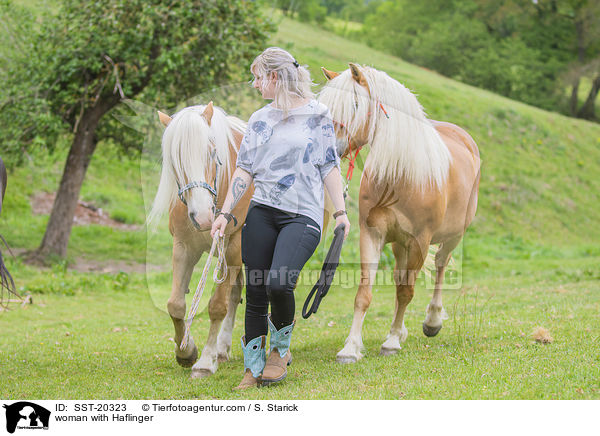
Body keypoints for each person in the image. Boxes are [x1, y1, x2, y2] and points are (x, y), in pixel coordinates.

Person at [211, 47, 350, 389]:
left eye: (258, 77)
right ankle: (252, 366)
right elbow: (244, 169)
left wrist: (341, 212)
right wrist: (225, 212)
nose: (255, 85)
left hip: (302, 215)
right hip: (262, 211)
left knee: (278, 282)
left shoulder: (318, 115)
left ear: (274, 77)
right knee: (256, 288)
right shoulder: (259, 119)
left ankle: (280, 351)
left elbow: (329, 164)